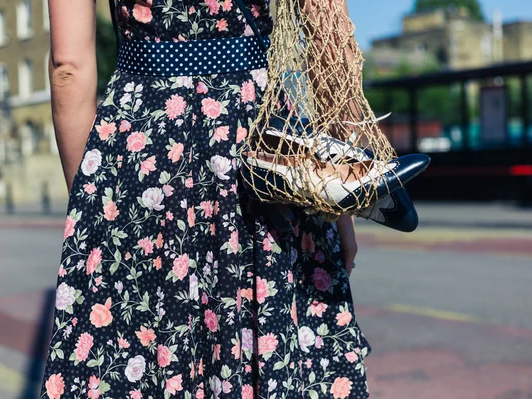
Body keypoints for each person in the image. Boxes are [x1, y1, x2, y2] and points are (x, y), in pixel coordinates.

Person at [41, 0, 370, 398]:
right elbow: (329, 48)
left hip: (141, 143)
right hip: (259, 142)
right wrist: (341, 208)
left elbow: (68, 68)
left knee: (135, 346)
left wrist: (93, 206)